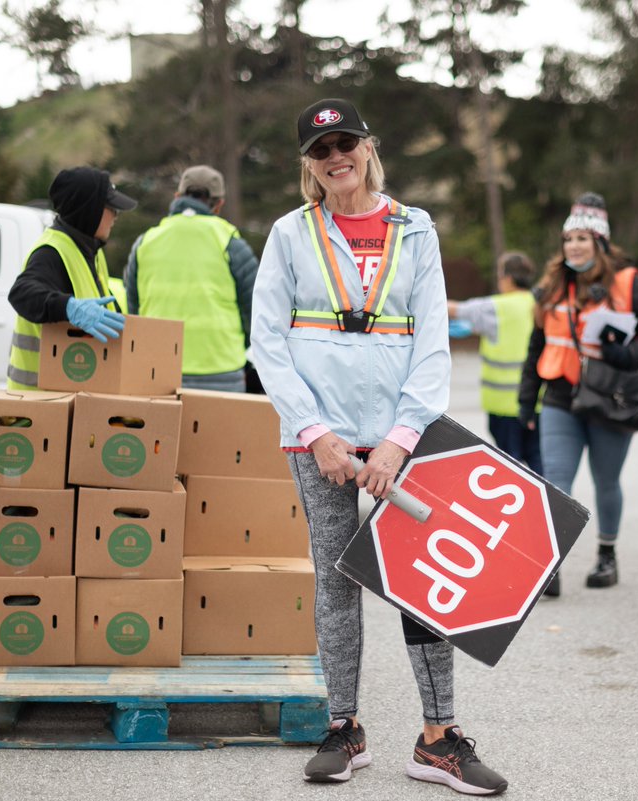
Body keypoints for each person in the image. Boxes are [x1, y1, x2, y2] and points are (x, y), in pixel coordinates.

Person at [251, 97, 507, 796]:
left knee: (424, 581)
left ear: (367, 147)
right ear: (309, 163)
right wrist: (317, 435)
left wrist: (398, 440)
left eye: (345, 143)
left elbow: (431, 341)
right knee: (335, 585)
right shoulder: (291, 232)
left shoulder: (414, 228)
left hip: (403, 440)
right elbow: (266, 344)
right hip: (320, 442)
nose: (336, 157)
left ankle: (438, 739)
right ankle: (345, 726)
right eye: (321, 148)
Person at [518, 192, 638, 596]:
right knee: (555, 483)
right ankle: (549, 566)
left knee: (606, 481)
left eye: (583, 238)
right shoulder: (551, 287)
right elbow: (537, 346)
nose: (574, 246)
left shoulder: (627, 282)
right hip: (560, 399)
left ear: (600, 243)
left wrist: (627, 353)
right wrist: (525, 400)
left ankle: (607, 555)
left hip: (608, 397)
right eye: (569, 239)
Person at [124, 165, 259, 392]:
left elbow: (134, 309)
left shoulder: (145, 242)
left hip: (157, 371)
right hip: (221, 371)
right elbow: (255, 311)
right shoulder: (231, 243)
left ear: (177, 197)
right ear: (219, 204)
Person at [7, 166, 135, 390]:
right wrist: (69, 307)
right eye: (110, 207)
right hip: (38, 402)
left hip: (67, 395)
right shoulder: (51, 251)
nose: (116, 215)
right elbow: (21, 293)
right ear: (90, 210)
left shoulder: (91, 252)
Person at [448, 251, 543, 473]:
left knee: (512, 468)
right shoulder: (539, 303)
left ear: (508, 277)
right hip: (539, 403)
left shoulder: (495, 307)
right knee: (540, 464)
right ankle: (551, 507)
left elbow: (452, 309)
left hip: (504, 407)